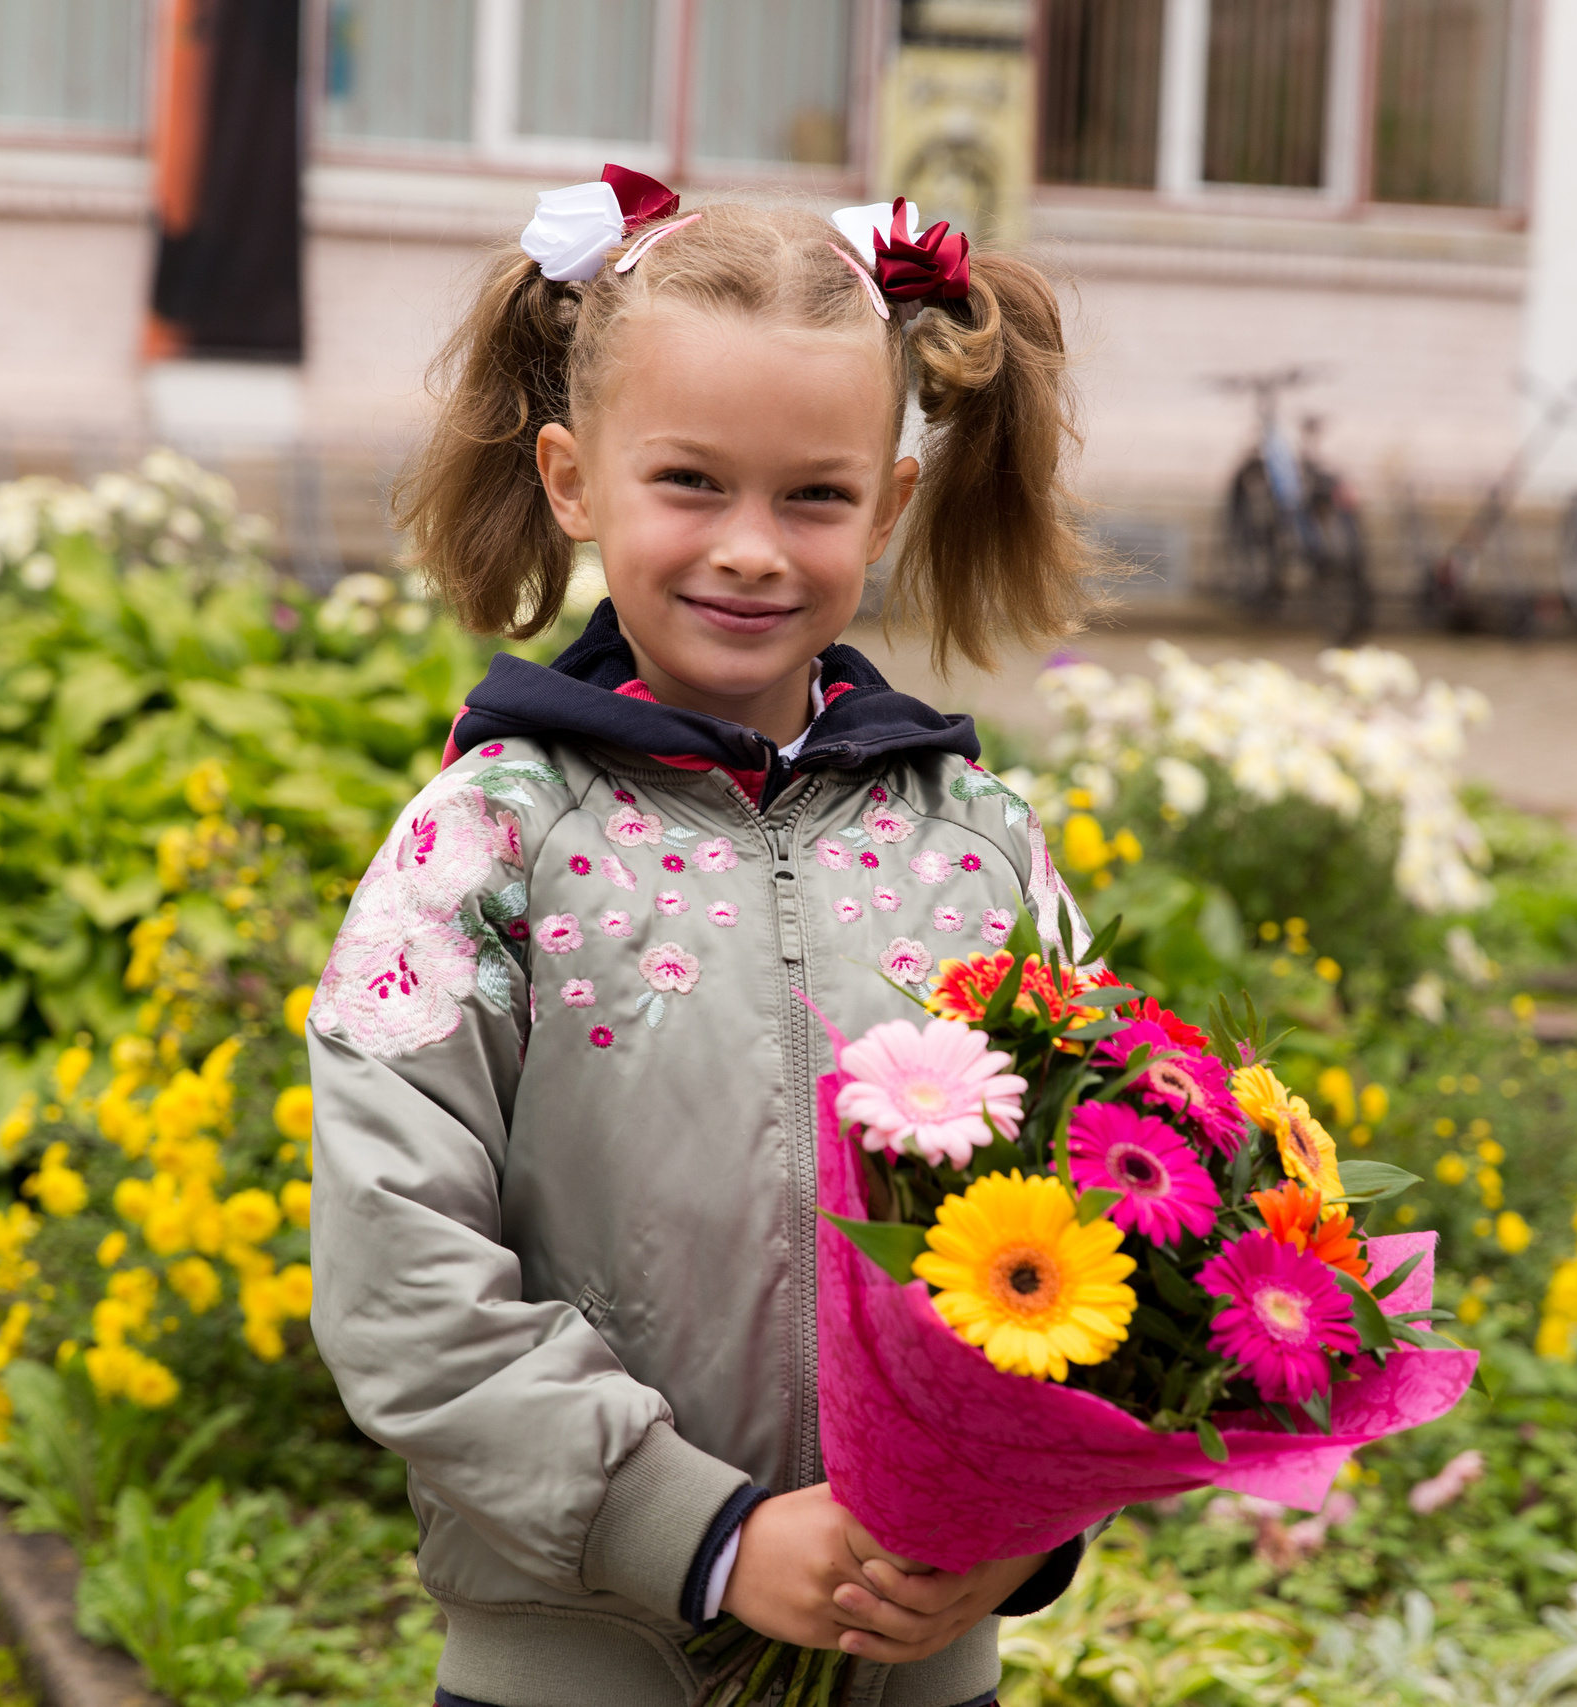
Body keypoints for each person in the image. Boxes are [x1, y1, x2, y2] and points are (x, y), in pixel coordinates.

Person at [305, 168, 1103, 1707]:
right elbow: (401, 1277)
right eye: (690, 483)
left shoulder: (978, 849)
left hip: (925, 1668)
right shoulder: (487, 845)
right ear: (571, 479)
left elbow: (1114, 1218)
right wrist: (706, 1538)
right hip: (577, 1674)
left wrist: (1019, 1527)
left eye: (814, 496)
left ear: (890, 504)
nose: (751, 548)